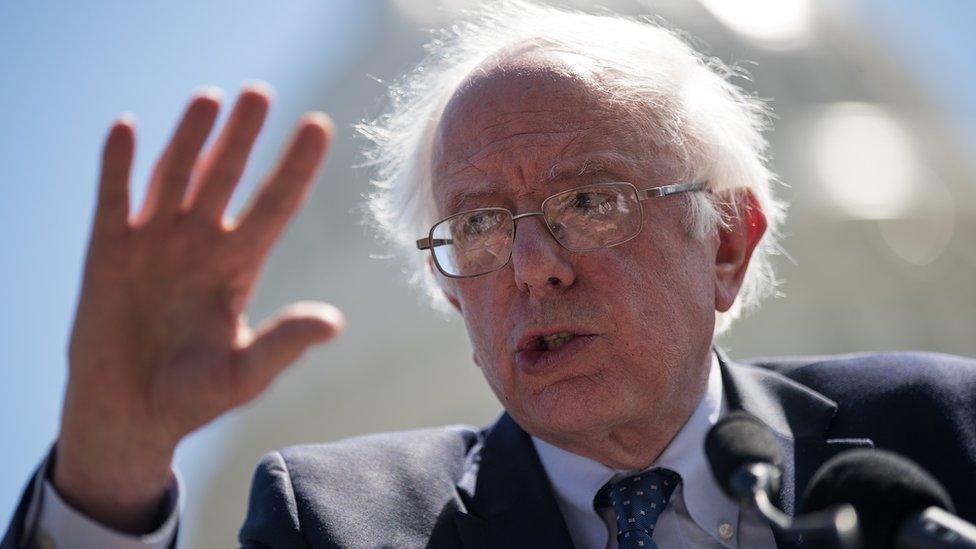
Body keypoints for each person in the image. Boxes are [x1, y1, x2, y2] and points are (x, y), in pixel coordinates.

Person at [4, 2, 976, 548]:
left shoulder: (937, 439)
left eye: (590, 201)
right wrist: (106, 479)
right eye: (474, 226)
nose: (533, 267)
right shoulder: (338, 523)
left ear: (726, 241)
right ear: (447, 293)